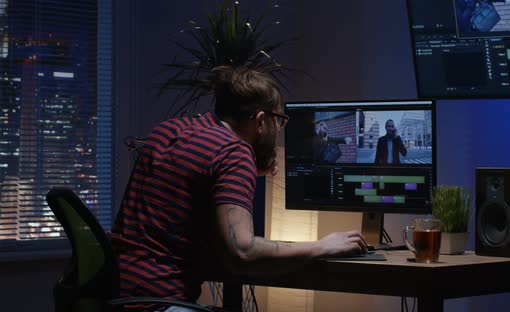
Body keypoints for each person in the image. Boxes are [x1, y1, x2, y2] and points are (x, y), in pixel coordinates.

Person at [110, 66, 367, 312]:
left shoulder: (167, 131)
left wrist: (247, 170)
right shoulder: (233, 152)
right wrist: (323, 246)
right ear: (261, 120)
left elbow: (184, 196)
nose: (278, 131)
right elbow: (242, 251)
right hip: (158, 304)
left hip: (110, 295)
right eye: (279, 121)